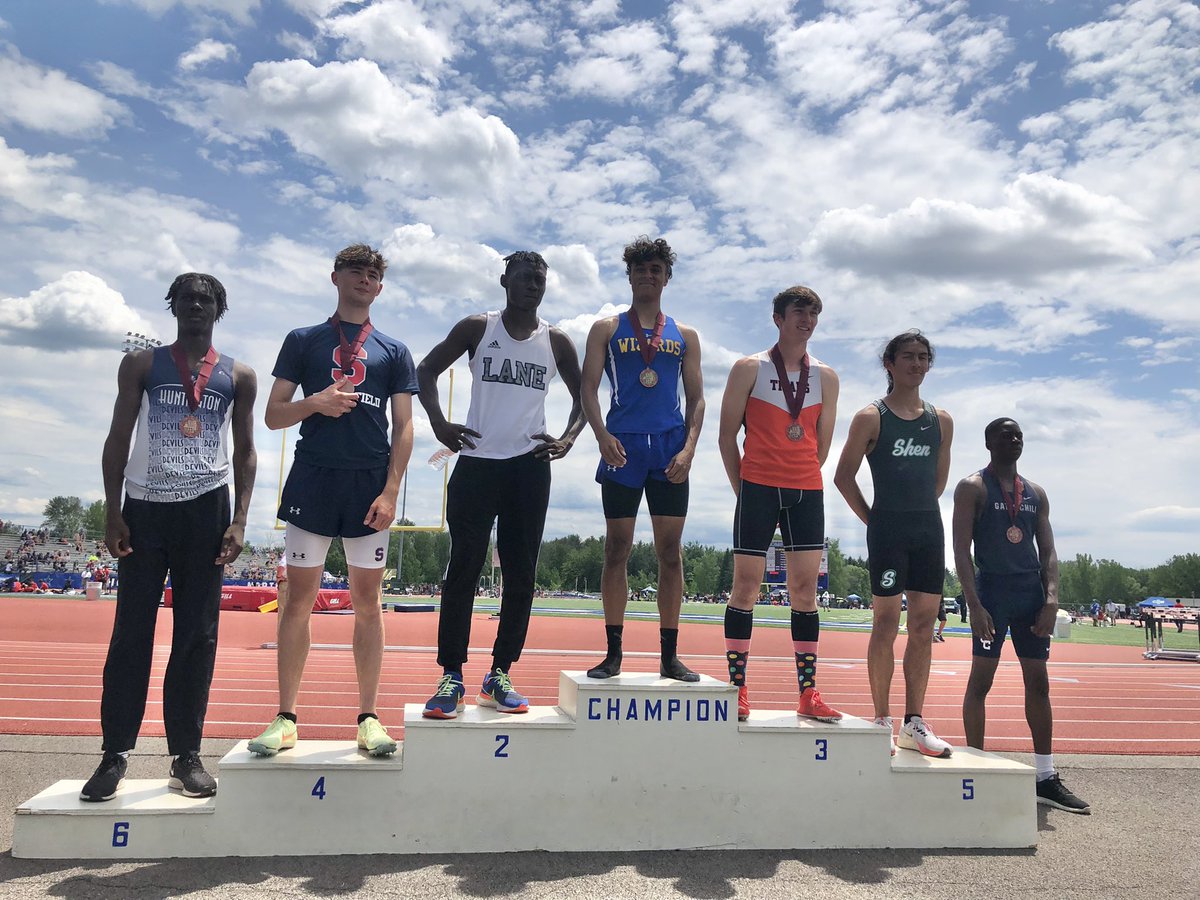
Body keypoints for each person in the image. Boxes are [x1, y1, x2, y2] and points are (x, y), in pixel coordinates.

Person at [82, 273, 257, 802]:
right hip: (146, 507)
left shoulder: (239, 375)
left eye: (205, 300)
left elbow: (246, 449)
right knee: (131, 631)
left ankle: (186, 755)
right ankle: (114, 755)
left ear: (218, 310)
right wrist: (112, 511)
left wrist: (241, 518)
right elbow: (118, 436)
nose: (195, 306)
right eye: (186, 299)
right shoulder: (142, 364)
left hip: (208, 508)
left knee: (197, 635)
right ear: (174, 307)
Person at [248, 244, 417, 758]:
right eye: (356, 271)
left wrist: (391, 491)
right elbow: (274, 415)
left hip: (368, 485)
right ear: (335, 277)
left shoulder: (394, 349)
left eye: (373, 274)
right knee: (298, 601)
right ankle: (285, 717)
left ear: (380, 287)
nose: (365, 279)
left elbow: (406, 426)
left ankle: (368, 717)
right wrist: (316, 403)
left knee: (368, 604)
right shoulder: (304, 340)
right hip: (314, 479)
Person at [417, 251, 586, 718]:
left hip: (529, 468)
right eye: (525, 277)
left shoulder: (556, 341)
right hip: (476, 463)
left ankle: (500, 673)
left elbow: (585, 397)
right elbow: (425, 369)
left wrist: (569, 438)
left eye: (540, 279)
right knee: (463, 572)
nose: (533, 285)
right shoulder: (478, 328)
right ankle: (451, 674)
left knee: (521, 576)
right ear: (504, 280)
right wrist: (438, 423)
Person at [581, 236, 704, 681]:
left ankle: (669, 656)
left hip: (670, 449)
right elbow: (587, 388)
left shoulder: (684, 335)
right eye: (640, 269)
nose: (648, 276)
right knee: (616, 550)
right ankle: (613, 653)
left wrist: (689, 449)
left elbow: (697, 399)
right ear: (629, 275)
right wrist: (600, 435)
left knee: (670, 554)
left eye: (656, 269)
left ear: (666, 278)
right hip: (624, 447)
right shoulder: (607, 329)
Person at [717, 285, 843, 723]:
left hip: (806, 490)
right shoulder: (748, 368)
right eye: (798, 311)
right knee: (746, 589)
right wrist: (745, 488)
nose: (806, 320)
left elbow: (820, 445)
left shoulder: (826, 377)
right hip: (757, 486)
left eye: (813, 313)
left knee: (805, 593)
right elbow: (726, 436)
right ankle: (738, 688)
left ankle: (808, 694)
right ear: (778, 317)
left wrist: (798, 474)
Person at [954, 417, 1090, 814]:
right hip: (992, 593)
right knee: (981, 681)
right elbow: (961, 550)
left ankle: (1045, 777)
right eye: (1005, 434)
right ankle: (974, 766)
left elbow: (1047, 550)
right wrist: (974, 604)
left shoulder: (1035, 493)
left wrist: (1051, 600)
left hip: (1029, 594)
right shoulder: (972, 487)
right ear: (988, 442)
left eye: (1019, 435)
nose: (1014, 440)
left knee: (1040, 684)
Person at [834, 330, 954, 757]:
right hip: (887, 531)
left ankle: (913, 722)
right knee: (885, 623)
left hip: (928, 531)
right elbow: (843, 477)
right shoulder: (872, 417)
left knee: (922, 628)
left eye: (924, 357)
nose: (917, 364)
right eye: (908, 356)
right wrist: (875, 522)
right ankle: (881, 719)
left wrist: (913, 514)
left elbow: (938, 483)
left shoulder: (941, 420)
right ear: (889, 363)